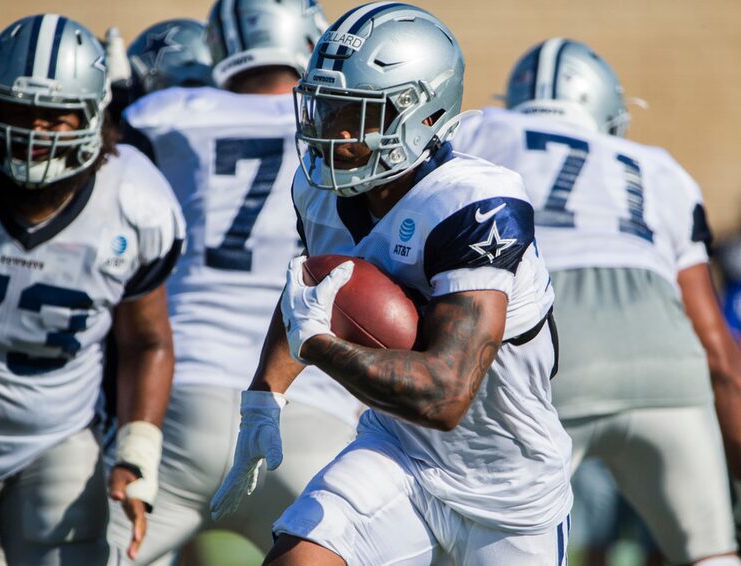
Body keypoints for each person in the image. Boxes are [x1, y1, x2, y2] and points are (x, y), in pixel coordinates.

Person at [211, 3, 573, 564]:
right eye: (328, 109)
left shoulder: (475, 204)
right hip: (398, 450)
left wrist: (321, 350)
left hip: (510, 487)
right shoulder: (319, 192)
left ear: (423, 115)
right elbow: (316, 293)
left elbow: (446, 395)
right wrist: (265, 394)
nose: (334, 132)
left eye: (359, 114)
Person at [453, 38, 741, 565]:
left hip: (547, 354)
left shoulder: (476, 131)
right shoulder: (660, 167)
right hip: (669, 362)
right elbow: (716, 345)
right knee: (712, 556)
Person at [0, 14, 185, 565]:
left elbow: (147, 341)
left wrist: (138, 450)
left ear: (94, 116)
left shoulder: (136, 200)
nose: (34, 133)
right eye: (18, 110)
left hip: (56, 441)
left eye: (56, 118)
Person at [109, 1, 362, 563]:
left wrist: (115, 99)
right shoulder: (344, 124)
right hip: (308, 403)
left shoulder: (165, 113)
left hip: (181, 397)